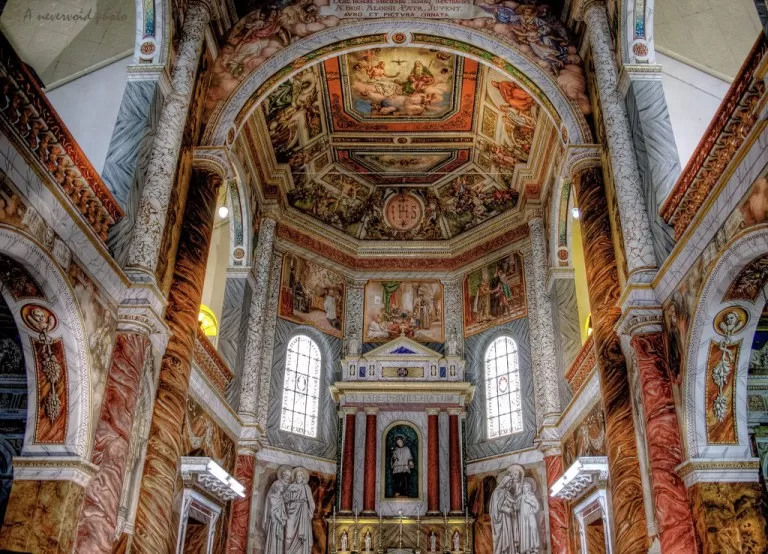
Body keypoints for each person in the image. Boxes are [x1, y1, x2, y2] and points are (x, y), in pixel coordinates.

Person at [284, 468, 315, 554]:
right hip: (291, 511)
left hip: (303, 511)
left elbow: (311, 501)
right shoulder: (291, 486)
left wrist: (311, 511)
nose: (298, 477)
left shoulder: (306, 488)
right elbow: (285, 498)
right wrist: (290, 491)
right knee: (288, 534)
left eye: (300, 476)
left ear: (303, 477)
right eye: (297, 476)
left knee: (301, 535)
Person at [263, 467, 292, 554]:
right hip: (275, 521)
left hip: (280, 522)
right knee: (274, 537)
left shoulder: (281, 497)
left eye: (289, 476)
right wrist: (280, 519)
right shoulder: (273, 495)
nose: (287, 477)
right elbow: (273, 511)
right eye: (286, 475)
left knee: (279, 540)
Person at [490, 474, 516, 554]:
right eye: (509, 482)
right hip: (500, 519)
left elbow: (512, 502)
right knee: (500, 539)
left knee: (508, 536)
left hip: (507, 518)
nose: (510, 484)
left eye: (511, 483)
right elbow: (495, 508)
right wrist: (506, 509)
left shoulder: (507, 492)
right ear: (504, 482)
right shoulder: (497, 492)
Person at [517, 480, 540, 554]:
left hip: (530, 515)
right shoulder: (521, 497)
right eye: (523, 487)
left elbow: (537, 506)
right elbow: (516, 506)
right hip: (523, 518)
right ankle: (526, 549)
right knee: (525, 532)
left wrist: (529, 502)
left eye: (526, 487)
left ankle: (534, 546)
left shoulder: (531, 496)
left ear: (529, 488)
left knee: (533, 528)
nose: (524, 488)